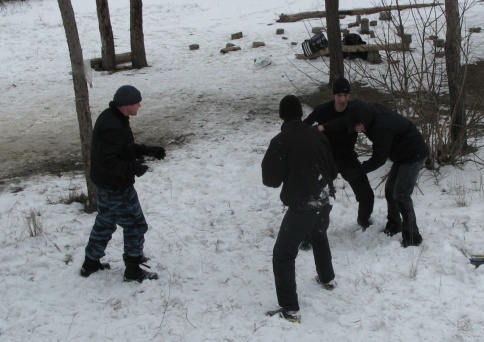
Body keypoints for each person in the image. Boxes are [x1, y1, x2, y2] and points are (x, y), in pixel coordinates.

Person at [262, 95, 338, 323]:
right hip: (325, 198)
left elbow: (270, 179)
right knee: (318, 234)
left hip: (303, 203)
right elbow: (333, 170)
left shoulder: (281, 140)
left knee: (283, 253)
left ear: (281, 115)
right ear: (301, 114)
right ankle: (327, 279)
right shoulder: (318, 135)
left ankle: (290, 309)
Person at [80, 85, 166, 282]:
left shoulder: (113, 117)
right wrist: (132, 169)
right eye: (137, 102)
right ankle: (133, 269)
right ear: (126, 104)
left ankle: (91, 262)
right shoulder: (113, 126)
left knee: (106, 221)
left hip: (104, 184)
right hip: (116, 186)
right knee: (135, 225)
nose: (139, 105)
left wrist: (147, 150)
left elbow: (121, 148)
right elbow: (107, 161)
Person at [299, 78, 375, 250]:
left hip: (347, 157)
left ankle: (363, 220)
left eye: (346, 95)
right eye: (339, 95)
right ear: (334, 95)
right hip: (325, 159)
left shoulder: (354, 110)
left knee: (366, 194)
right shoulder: (323, 110)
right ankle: (308, 235)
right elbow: (304, 128)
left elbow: (371, 123)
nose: (343, 99)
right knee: (317, 198)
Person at [347, 101, 428, 247]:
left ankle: (412, 237)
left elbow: (379, 159)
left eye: (357, 126)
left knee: (401, 195)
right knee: (390, 190)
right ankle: (394, 224)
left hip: (414, 155)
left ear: (362, 120)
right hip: (402, 156)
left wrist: (358, 170)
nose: (358, 130)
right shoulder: (371, 116)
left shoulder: (381, 126)